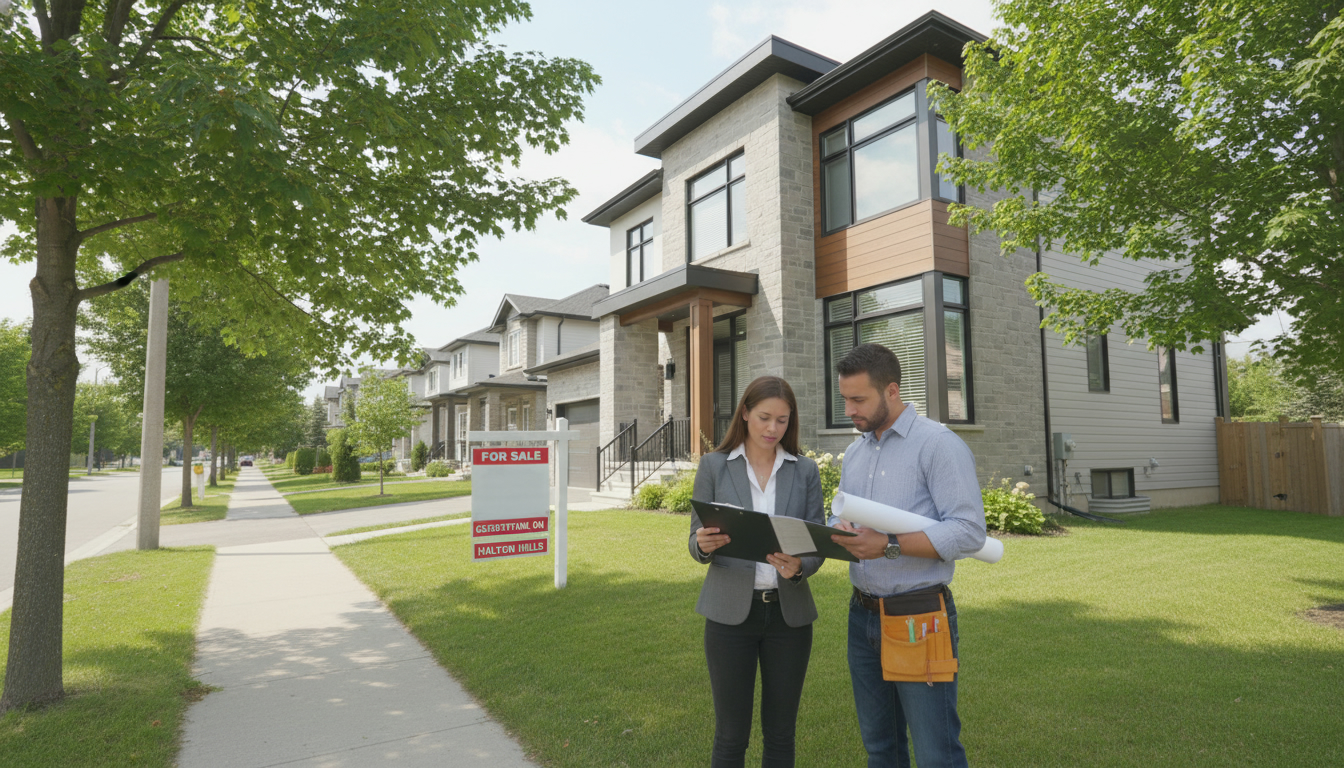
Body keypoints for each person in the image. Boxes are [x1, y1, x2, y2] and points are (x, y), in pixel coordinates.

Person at [829, 343, 987, 768]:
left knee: (937, 754)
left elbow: (969, 531)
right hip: (862, 616)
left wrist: (888, 545)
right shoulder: (857, 451)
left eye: (858, 399)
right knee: (882, 750)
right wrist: (838, 528)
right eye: (844, 399)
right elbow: (843, 512)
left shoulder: (938, 444)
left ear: (892, 391)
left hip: (920, 615)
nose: (849, 410)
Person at [688, 375, 826, 768]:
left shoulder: (804, 470)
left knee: (781, 735)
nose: (772, 428)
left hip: (789, 618)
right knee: (731, 736)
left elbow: (816, 542)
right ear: (745, 413)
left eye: (782, 420)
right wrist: (702, 544)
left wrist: (800, 567)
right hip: (729, 616)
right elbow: (694, 539)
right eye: (765, 417)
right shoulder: (714, 466)